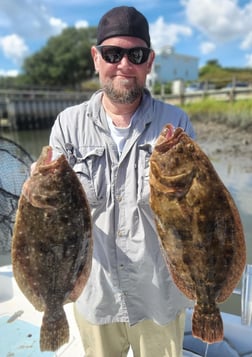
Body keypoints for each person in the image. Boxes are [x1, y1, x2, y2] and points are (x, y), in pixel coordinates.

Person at [49, 6, 195, 357]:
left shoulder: (175, 124)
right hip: (95, 294)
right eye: (113, 54)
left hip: (158, 296)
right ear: (96, 58)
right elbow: (51, 220)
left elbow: (195, 215)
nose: (124, 65)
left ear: (149, 61)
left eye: (136, 54)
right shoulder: (67, 125)